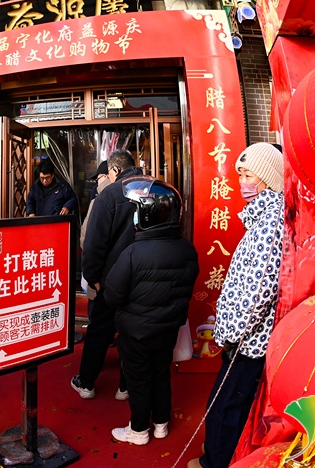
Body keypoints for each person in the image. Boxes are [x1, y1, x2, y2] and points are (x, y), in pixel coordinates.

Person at [189, 142, 285, 468]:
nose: (242, 181)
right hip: (243, 339)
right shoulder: (265, 216)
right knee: (229, 406)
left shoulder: (271, 225)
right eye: (240, 174)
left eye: (248, 174)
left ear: (268, 178)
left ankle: (214, 463)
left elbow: (260, 291)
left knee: (223, 408)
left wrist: (232, 333)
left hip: (246, 342)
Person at [105, 177, 199, 445]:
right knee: (161, 373)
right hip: (168, 329)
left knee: (138, 379)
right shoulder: (187, 249)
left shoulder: (134, 253)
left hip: (136, 332)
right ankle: (161, 423)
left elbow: (112, 295)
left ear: (147, 214)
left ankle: (138, 431)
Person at [71, 149, 141, 400]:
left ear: (114, 170)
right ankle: (125, 385)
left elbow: (93, 244)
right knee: (132, 333)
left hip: (111, 280)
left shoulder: (109, 194)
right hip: (143, 280)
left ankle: (87, 382)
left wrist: (93, 278)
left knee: (100, 330)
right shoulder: (156, 189)